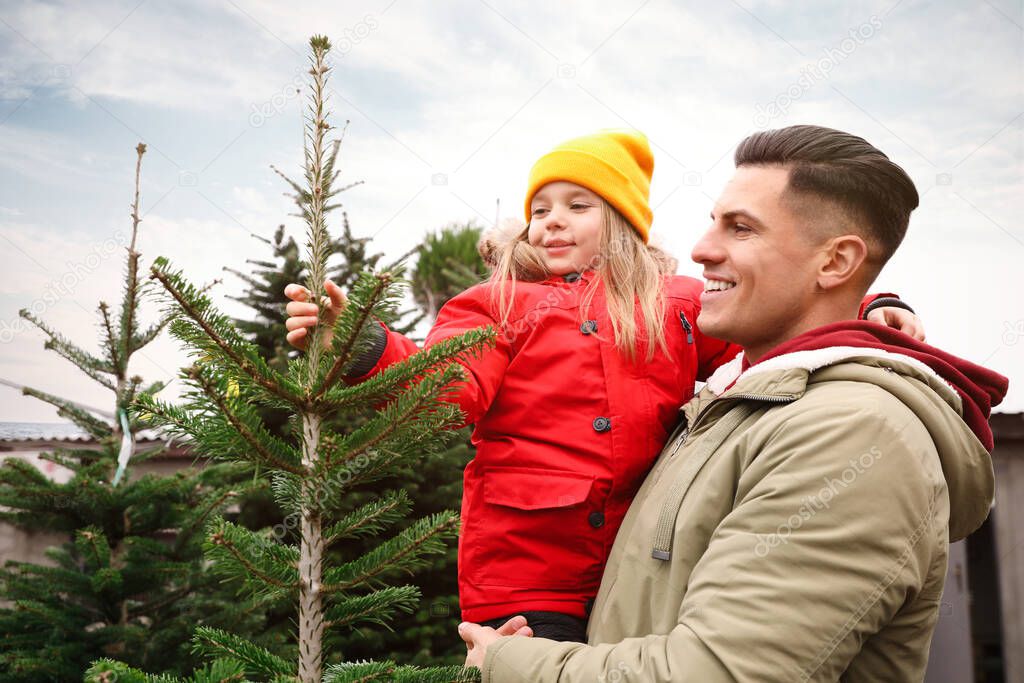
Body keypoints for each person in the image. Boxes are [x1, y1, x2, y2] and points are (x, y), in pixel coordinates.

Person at [284, 129, 922, 643]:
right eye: (539, 210)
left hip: (642, 568)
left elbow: (775, 330)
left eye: (577, 206)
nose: (551, 222)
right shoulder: (500, 303)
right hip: (527, 572)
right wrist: (369, 346)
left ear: (623, 221)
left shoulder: (676, 304)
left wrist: (869, 306)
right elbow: (449, 390)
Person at [458, 125, 1008, 681]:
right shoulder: (731, 411)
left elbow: (720, 674)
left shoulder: (852, 434)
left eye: (741, 229)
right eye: (713, 222)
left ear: (836, 262)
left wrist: (509, 661)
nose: (699, 250)